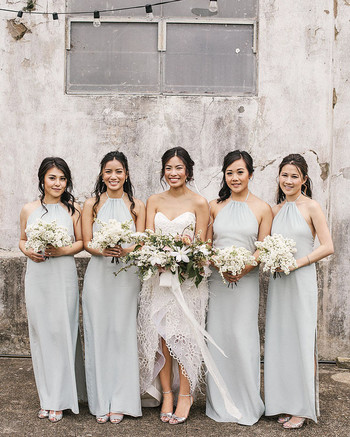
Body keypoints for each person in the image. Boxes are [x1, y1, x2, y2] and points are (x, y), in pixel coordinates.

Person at [137, 147, 241, 425]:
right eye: (168, 168)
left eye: (179, 168)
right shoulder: (153, 200)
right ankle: (167, 395)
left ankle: (186, 395)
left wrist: (189, 257)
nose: (173, 173)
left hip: (189, 281)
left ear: (188, 171)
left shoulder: (199, 203)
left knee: (183, 337)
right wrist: (156, 258)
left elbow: (203, 244)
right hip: (159, 280)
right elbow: (147, 239)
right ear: (163, 171)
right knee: (161, 334)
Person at [264, 154, 334, 429]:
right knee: (281, 340)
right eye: (284, 175)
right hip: (280, 283)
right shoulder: (275, 210)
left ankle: (302, 407)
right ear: (278, 177)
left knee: (302, 340)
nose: (288, 180)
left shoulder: (312, 207)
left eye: (294, 176)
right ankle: (283, 401)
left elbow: (327, 246)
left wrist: (298, 263)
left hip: (301, 279)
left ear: (304, 180)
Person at [205, 150, 273, 425]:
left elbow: (263, 248)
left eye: (240, 172)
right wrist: (219, 265)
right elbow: (206, 245)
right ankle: (220, 401)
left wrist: (245, 267)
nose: (234, 177)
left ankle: (246, 401)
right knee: (219, 338)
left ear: (251, 174)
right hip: (217, 281)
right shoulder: (214, 206)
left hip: (246, 281)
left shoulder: (262, 208)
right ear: (224, 175)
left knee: (243, 338)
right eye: (230, 172)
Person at [19, 157, 85, 423]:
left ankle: (60, 399)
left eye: (62, 178)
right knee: (42, 334)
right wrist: (29, 251)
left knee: (62, 332)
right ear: (42, 180)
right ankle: (47, 398)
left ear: (67, 181)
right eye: (52, 178)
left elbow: (81, 242)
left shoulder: (74, 210)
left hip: (63, 275)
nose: (57, 183)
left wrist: (61, 250)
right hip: (37, 276)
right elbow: (22, 240)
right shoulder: (28, 209)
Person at [82, 151, 145, 424]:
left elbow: (141, 242)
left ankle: (121, 400)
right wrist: (103, 248)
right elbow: (86, 242)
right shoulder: (91, 204)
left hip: (127, 276)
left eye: (119, 171)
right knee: (100, 333)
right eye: (108, 171)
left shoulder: (137, 205)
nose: (113, 176)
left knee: (122, 333)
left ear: (127, 174)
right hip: (98, 276)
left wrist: (126, 248)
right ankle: (100, 400)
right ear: (101, 175)